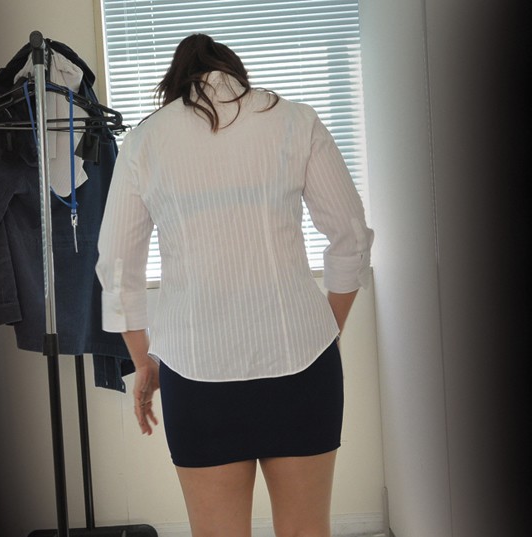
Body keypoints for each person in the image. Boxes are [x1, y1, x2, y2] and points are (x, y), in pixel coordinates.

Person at [95, 33, 374, 537]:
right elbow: (351, 236)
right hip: (303, 363)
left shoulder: (144, 142)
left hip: (195, 375)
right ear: (237, 74)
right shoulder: (296, 121)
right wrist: (328, 328)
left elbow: (117, 267)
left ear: (174, 85)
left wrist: (143, 361)